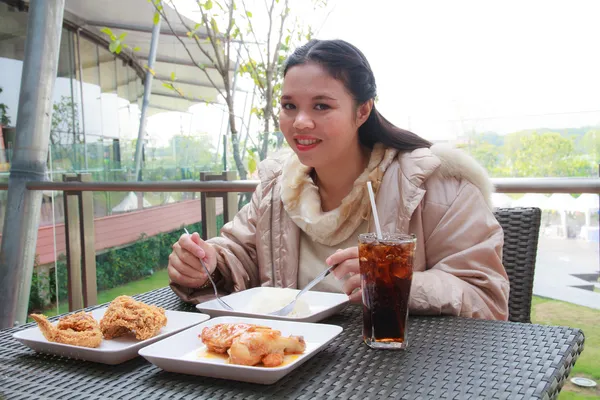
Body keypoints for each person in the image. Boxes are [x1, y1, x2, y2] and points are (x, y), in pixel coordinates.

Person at [168, 39, 509, 320]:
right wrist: (208, 264)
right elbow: (240, 251)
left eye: (321, 106)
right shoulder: (277, 186)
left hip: (397, 370)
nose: (300, 122)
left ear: (362, 111)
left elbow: (485, 298)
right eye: (289, 106)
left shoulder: (435, 187)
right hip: (286, 367)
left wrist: (396, 283)